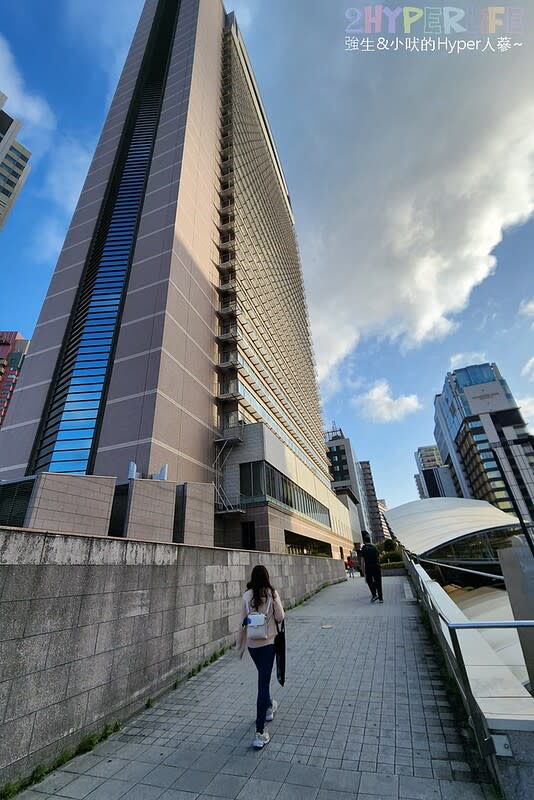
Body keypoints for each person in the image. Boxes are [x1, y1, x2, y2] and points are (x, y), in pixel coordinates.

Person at [239, 565, 285, 749]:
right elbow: (280, 617)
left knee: (263, 676)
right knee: (263, 683)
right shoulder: (272, 594)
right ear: (266, 577)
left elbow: (243, 620)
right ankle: (259, 732)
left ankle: (268, 707)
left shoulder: (247, 596)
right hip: (268, 644)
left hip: (252, 645)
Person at [360, 533, 383, 603]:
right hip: (377, 566)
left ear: (364, 541)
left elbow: (362, 560)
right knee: (378, 582)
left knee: (369, 581)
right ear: (370, 541)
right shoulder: (375, 547)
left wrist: (363, 570)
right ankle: (381, 599)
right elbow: (379, 558)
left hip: (369, 567)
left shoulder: (364, 548)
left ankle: (374, 595)